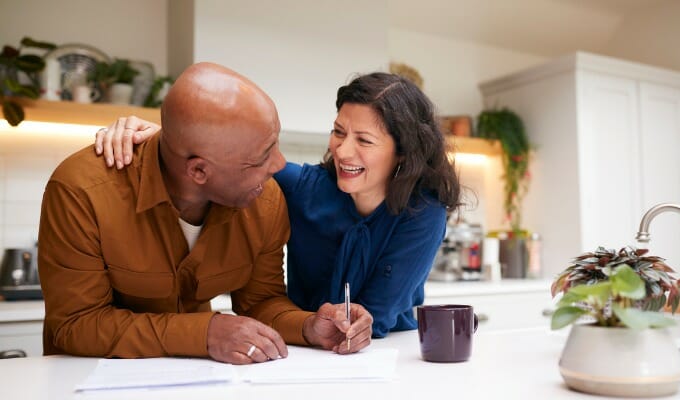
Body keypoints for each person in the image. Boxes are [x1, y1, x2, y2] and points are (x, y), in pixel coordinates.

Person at [38, 62, 373, 365]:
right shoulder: (81, 191)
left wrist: (309, 325)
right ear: (198, 172)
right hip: (86, 380)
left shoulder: (264, 199)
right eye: (261, 157)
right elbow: (76, 324)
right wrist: (204, 334)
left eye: (275, 143)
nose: (279, 165)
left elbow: (261, 302)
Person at [95, 72, 461, 337]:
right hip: (302, 342)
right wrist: (159, 136)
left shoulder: (423, 213)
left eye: (364, 140)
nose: (342, 151)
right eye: (338, 132)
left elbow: (375, 317)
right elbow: (222, 155)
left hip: (383, 352)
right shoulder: (305, 188)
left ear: (404, 153)